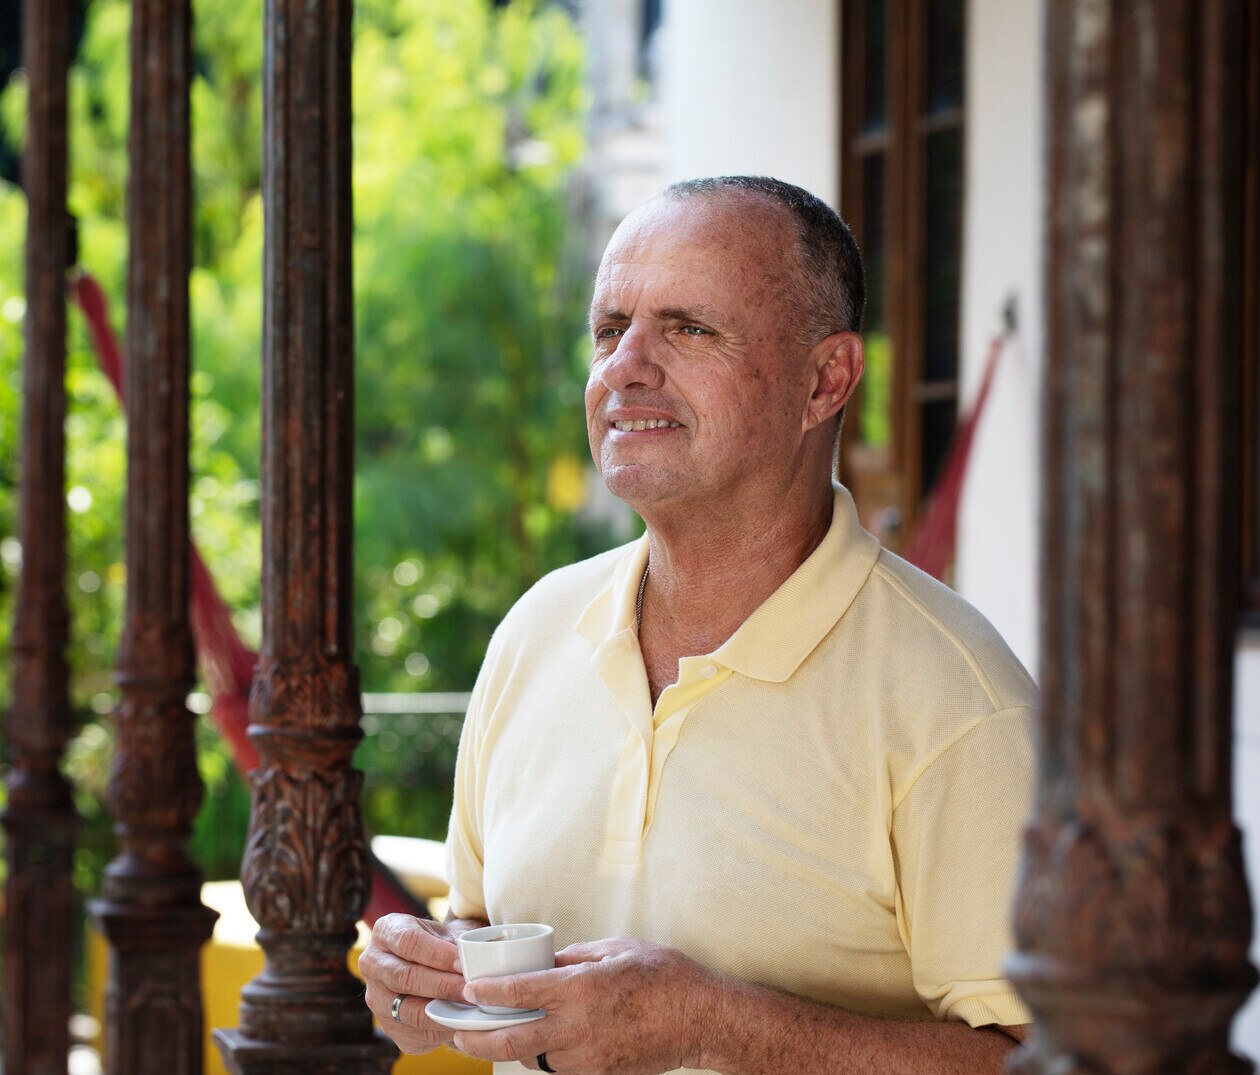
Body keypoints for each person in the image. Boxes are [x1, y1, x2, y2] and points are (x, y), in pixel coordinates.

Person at [358, 176, 1036, 1075]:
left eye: (689, 328)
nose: (623, 367)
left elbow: (1059, 1061)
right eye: (609, 330)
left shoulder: (960, 702)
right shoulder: (534, 632)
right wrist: (426, 972)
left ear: (825, 378)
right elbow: (480, 927)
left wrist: (718, 1025)